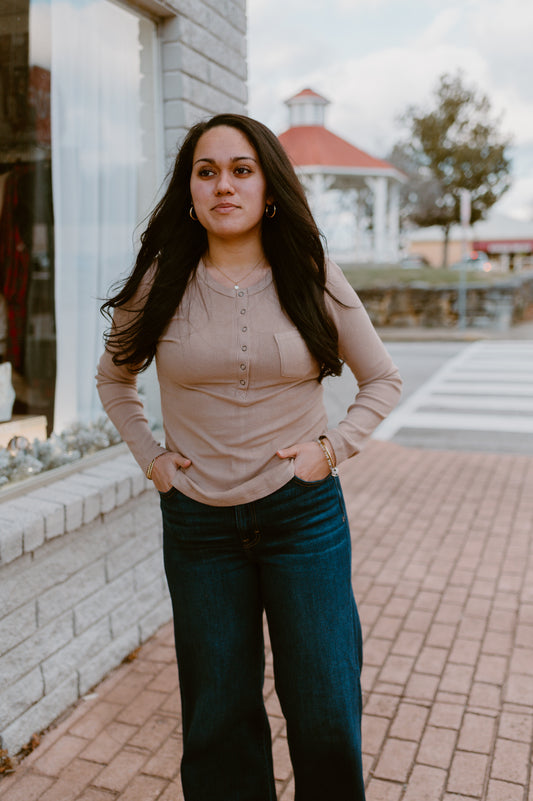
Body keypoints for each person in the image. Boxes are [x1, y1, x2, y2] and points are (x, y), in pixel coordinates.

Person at [96, 113, 402, 801]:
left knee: (325, 709)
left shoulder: (310, 270)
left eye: (240, 169)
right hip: (199, 529)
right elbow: (113, 379)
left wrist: (331, 449)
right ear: (189, 191)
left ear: (268, 188)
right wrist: (151, 457)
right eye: (206, 172)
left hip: (303, 521)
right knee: (219, 720)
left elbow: (381, 379)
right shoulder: (159, 281)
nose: (222, 185)